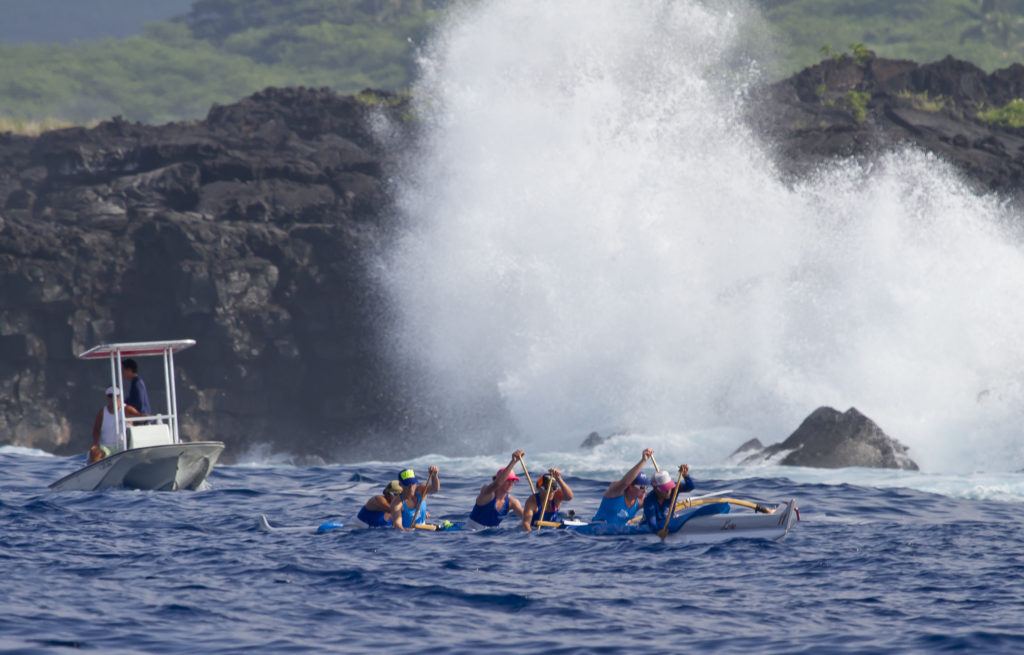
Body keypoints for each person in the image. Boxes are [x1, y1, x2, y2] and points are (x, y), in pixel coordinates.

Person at [591, 448, 654, 525]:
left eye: (646, 487)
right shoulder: (615, 492)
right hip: (597, 532)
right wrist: (643, 460)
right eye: (641, 487)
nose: (645, 491)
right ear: (630, 486)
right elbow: (625, 482)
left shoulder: (639, 503)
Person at [467, 450, 526, 529]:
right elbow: (497, 484)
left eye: (513, 481)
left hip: (493, 537)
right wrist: (513, 462)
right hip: (470, 532)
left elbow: (527, 517)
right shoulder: (487, 493)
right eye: (508, 480)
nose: (511, 483)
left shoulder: (512, 502)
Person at [89, 386, 142, 463]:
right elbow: (96, 430)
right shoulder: (102, 413)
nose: (113, 398)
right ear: (107, 397)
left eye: (116, 396)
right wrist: (95, 444)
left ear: (120, 396)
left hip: (123, 447)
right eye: (111, 396)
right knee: (94, 454)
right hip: (106, 448)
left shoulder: (127, 409)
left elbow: (141, 417)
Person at [641, 465, 695, 532]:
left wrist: (685, 475)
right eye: (665, 488)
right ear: (655, 488)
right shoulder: (649, 500)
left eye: (669, 486)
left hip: (667, 523)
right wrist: (659, 531)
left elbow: (690, 487)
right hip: (648, 527)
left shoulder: (674, 489)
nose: (668, 491)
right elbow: (652, 523)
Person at [392, 465, 440, 530]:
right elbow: (398, 526)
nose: (411, 488)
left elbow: (435, 489)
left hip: (424, 533)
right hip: (408, 535)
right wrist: (406, 531)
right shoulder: (397, 502)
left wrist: (434, 476)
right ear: (401, 485)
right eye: (408, 484)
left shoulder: (421, 490)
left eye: (413, 483)